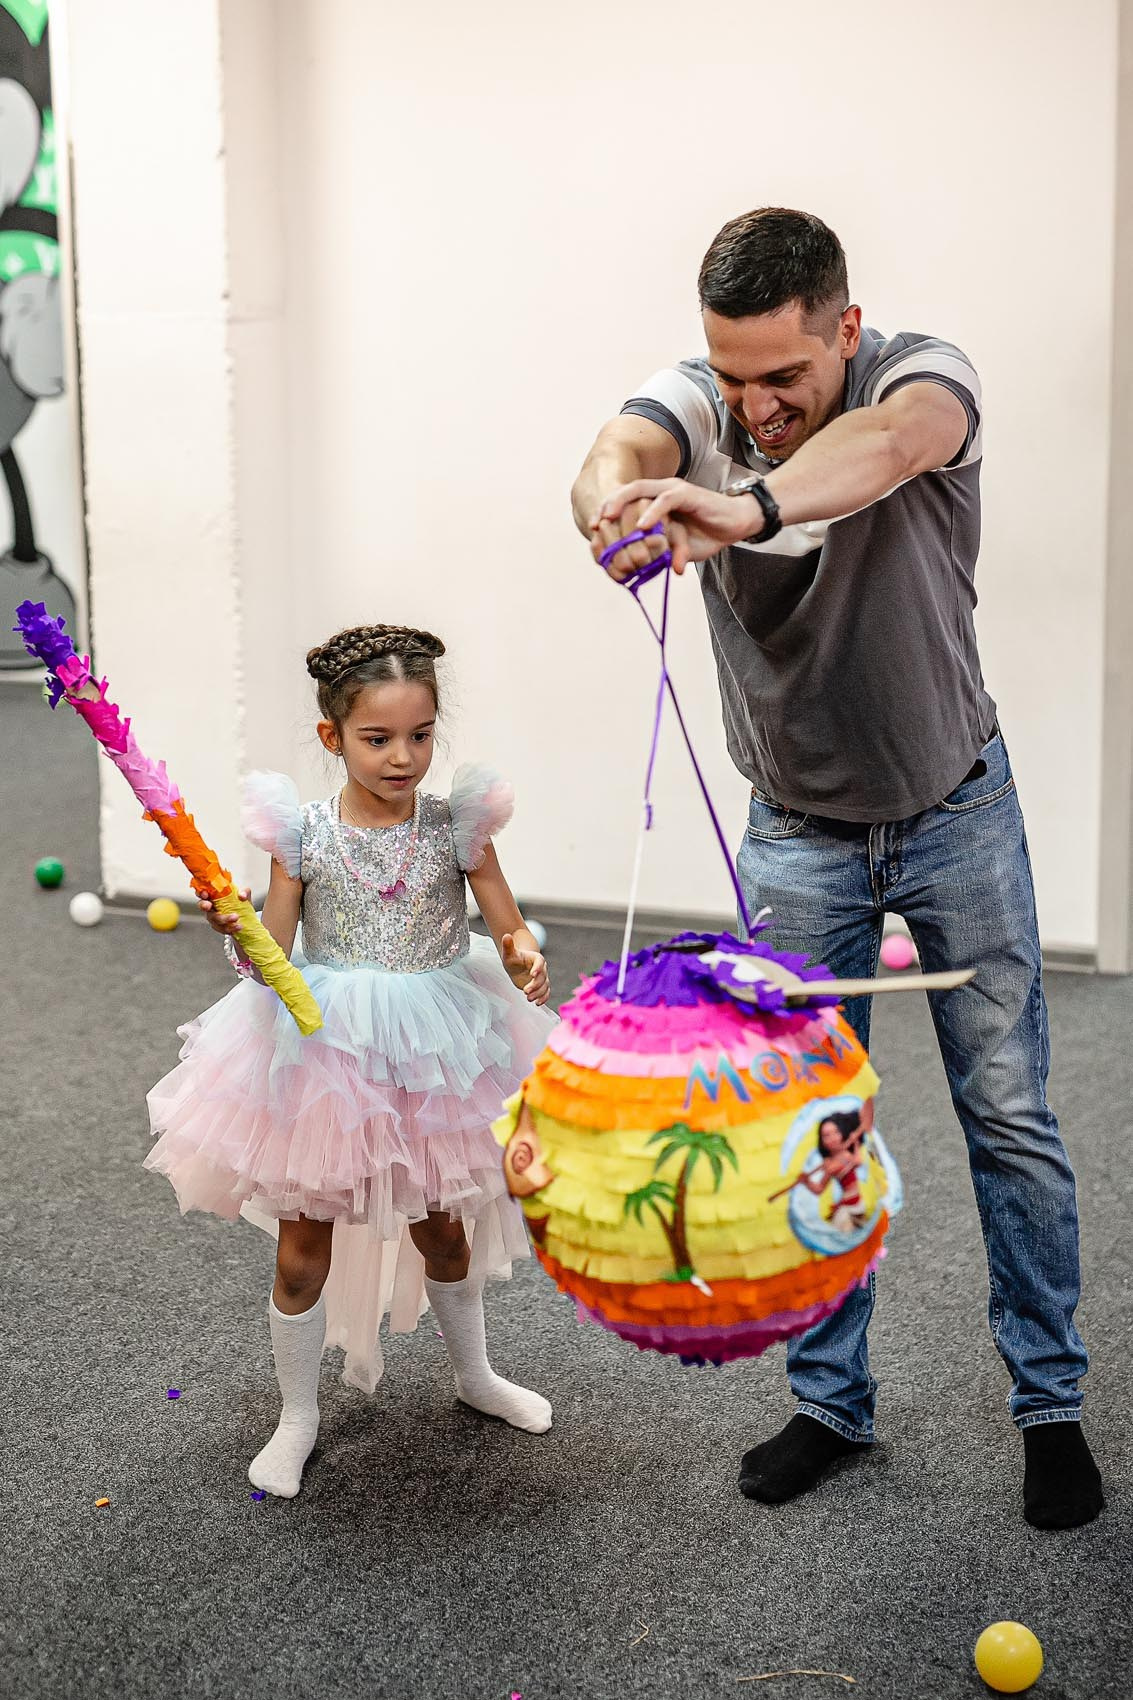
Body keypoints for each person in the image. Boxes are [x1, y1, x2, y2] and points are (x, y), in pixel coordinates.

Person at [571, 207, 1103, 1530]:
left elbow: (888, 445)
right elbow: (616, 449)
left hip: (955, 813)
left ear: (844, 331)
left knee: (1012, 1121)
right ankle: (830, 1404)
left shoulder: (919, 374)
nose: (754, 406)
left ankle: (1049, 1407)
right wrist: (615, 506)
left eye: (783, 379)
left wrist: (737, 506)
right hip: (796, 837)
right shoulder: (702, 399)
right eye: (731, 376)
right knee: (812, 1129)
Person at [145, 622, 556, 1498]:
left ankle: (473, 1375)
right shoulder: (302, 835)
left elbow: (504, 918)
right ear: (333, 738)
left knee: (444, 1226)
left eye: (417, 736)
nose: (401, 757)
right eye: (377, 739)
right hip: (324, 1055)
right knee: (302, 1248)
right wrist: (242, 935)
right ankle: (297, 1414)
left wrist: (521, 953)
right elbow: (273, 953)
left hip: (440, 1048)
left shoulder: (458, 827)